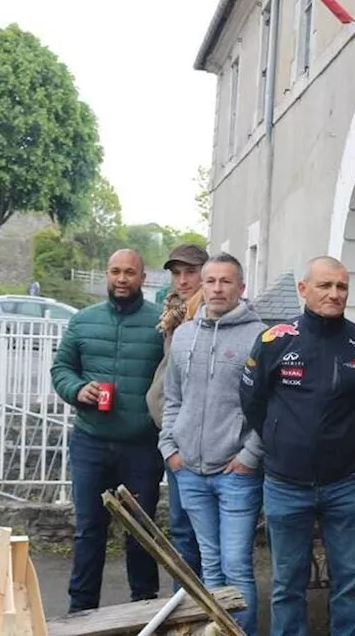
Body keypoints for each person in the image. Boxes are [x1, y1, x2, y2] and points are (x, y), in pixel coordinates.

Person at [240, 256, 355, 636]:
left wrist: (348, 449)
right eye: (325, 285)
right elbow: (253, 403)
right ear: (303, 289)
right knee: (287, 584)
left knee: (349, 584)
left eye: (341, 287)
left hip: (347, 485)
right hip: (286, 484)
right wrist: (280, 440)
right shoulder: (275, 342)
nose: (334, 294)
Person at [51, 249, 166, 612]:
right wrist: (76, 389)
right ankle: (81, 610)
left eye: (129, 272)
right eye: (115, 272)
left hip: (141, 446)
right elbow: (61, 369)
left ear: (142, 278)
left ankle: (143, 608)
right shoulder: (83, 321)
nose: (121, 279)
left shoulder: (160, 324)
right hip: (90, 442)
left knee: (141, 532)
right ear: (106, 274)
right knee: (88, 530)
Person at [160, 254, 266, 635]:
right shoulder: (185, 334)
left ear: (241, 287)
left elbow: (270, 407)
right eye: (210, 281)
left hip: (236, 473)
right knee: (208, 565)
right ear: (201, 286)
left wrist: (250, 455)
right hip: (189, 469)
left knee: (236, 566)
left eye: (226, 281)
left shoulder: (260, 337)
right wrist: (170, 449)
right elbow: (173, 398)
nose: (217, 288)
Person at [147, 242, 210, 583]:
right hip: (173, 435)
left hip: (199, 439)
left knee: (198, 532)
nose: (183, 280)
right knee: (182, 529)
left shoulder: (205, 314)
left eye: (190, 272)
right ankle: (183, 608)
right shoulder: (175, 313)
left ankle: (203, 610)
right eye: (177, 273)